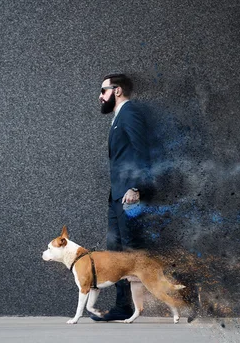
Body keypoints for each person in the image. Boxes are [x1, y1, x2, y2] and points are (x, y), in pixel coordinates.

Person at [91, 73, 152, 322]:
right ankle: (122, 306)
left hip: (129, 196)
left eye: (103, 90)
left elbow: (143, 151)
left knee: (132, 253)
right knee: (117, 254)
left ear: (117, 91)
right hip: (117, 196)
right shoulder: (119, 118)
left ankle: (180, 296)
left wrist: (137, 187)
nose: (100, 96)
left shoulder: (130, 113)